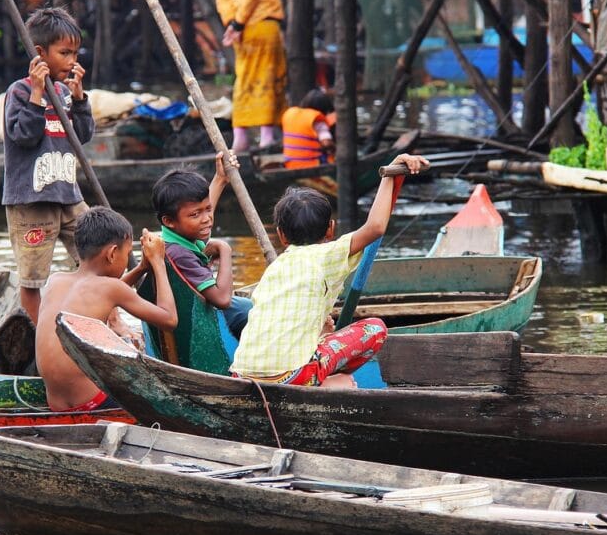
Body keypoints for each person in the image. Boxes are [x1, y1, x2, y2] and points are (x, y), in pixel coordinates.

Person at [231, 153, 430, 387]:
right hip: (292, 376)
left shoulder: (276, 269)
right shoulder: (326, 255)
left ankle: (321, 374)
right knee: (375, 328)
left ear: (281, 235)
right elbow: (375, 227)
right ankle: (330, 381)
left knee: (325, 330)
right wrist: (389, 172)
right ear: (330, 230)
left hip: (242, 375)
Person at [35, 207, 178, 412]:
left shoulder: (55, 281)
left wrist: (140, 269)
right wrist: (158, 263)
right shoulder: (111, 289)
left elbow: (108, 294)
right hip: (92, 403)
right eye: (127, 254)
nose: (127, 259)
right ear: (112, 253)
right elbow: (169, 319)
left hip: (56, 404)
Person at [3, 6, 94, 325]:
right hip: (32, 201)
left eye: (75, 53)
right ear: (40, 53)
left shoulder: (65, 93)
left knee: (97, 253)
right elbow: (23, 136)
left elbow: (81, 137)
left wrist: (80, 100)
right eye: (64, 53)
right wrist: (37, 94)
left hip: (69, 195)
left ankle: (106, 321)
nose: (72, 61)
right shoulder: (21, 91)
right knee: (32, 278)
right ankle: (41, 335)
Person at [151, 153, 251, 338]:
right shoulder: (179, 253)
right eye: (195, 215)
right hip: (195, 323)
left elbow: (199, 208)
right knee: (250, 310)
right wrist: (224, 249)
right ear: (169, 221)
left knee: (247, 305)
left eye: (208, 210)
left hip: (194, 312)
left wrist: (220, 179)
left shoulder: (178, 235)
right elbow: (222, 299)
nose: (207, 219)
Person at [216, 0, 287, 154]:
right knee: (267, 76)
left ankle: (241, 137)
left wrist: (232, 23)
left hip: (241, 30)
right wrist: (238, 23)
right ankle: (266, 137)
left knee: (244, 77)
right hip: (262, 24)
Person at [281, 89, 337, 169]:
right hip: (311, 164)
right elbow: (327, 143)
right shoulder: (318, 121)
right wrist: (335, 149)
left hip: (290, 164)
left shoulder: (290, 113)